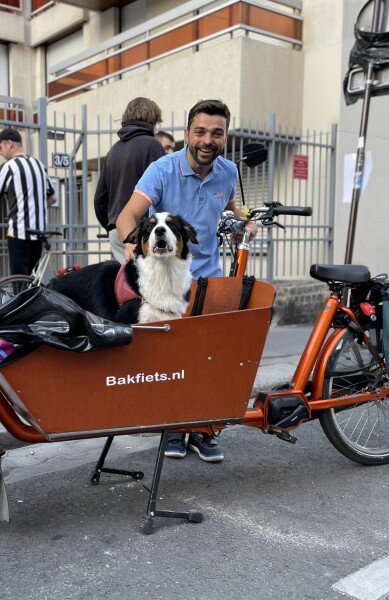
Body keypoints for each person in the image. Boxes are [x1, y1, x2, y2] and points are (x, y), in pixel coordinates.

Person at [115, 99, 258, 463]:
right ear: (187, 134)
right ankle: (174, 430)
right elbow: (127, 216)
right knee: (171, 361)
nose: (207, 140)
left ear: (225, 137)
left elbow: (232, 211)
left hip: (207, 283)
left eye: (216, 133)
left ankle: (202, 430)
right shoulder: (162, 170)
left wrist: (246, 223)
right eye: (200, 132)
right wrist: (137, 253)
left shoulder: (227, 173)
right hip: (169, 286)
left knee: (207, 360)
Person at [0, 128, 57, 276]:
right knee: (33, 280)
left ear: (9, 144)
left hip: (19, 233)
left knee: (19, 282)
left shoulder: (8, 167)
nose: (0, 152)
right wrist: (34, 207)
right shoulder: (39, 165)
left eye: (0, 147)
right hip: (39, 234)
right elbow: (53, 198)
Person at [94, 97, 165, 263]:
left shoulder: (113, 151)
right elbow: (164, 189)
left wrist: (112, 225)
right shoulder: (152, 146)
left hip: (116, 231)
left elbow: (100, 199)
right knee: (149, 286)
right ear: (153, 120)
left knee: (127, 285)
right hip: (143, 230)